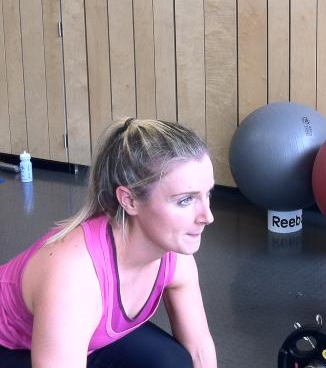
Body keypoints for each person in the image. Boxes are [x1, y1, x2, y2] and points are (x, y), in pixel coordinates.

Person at [0, 118, 218, 368]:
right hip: (11, 348)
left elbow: (199, 349)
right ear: (129, 200)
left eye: (207, 194)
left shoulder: (175, 255)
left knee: (172, 363)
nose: (207, 217)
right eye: (185, 200)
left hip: (82, 339)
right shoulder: (75, 278)